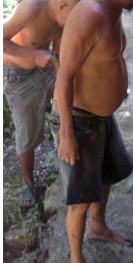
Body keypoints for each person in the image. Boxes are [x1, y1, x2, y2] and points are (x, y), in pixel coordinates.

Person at [52, 0, 133, 262]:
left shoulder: (113, 10)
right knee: (80, 200)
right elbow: (63, 79)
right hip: (79, 120)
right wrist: (67, 134)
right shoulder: (91, 14)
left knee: (105, 178)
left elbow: (105, 59)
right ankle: (76, 258)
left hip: (100, 118)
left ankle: (98, 227)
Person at [3, 0, 78, 207]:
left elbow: (61, 54)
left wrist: (64, 81)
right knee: (27, 130)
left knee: (75, 97)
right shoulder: (31, 8)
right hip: (18, 76)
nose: (76, 19)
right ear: (62, 4)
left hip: (47, 64)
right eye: (74, 13)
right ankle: (28, 184)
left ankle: (69, 151)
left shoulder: (65, 15)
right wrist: (33, 55)